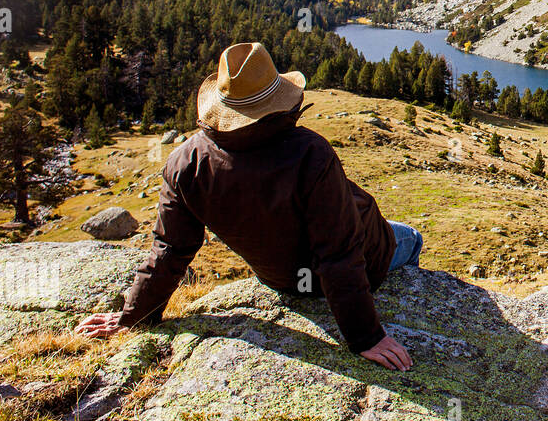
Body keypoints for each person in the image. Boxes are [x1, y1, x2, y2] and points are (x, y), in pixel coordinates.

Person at [75, 42, 421, 371]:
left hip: (279, 278)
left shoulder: (186, 162)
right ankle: (413, 296)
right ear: (277, 104)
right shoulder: (309, 154)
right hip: (359, 262)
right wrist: (366, 337)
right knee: (410, 237)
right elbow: (338, 254)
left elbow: (170, 249)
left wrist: (134, 316)